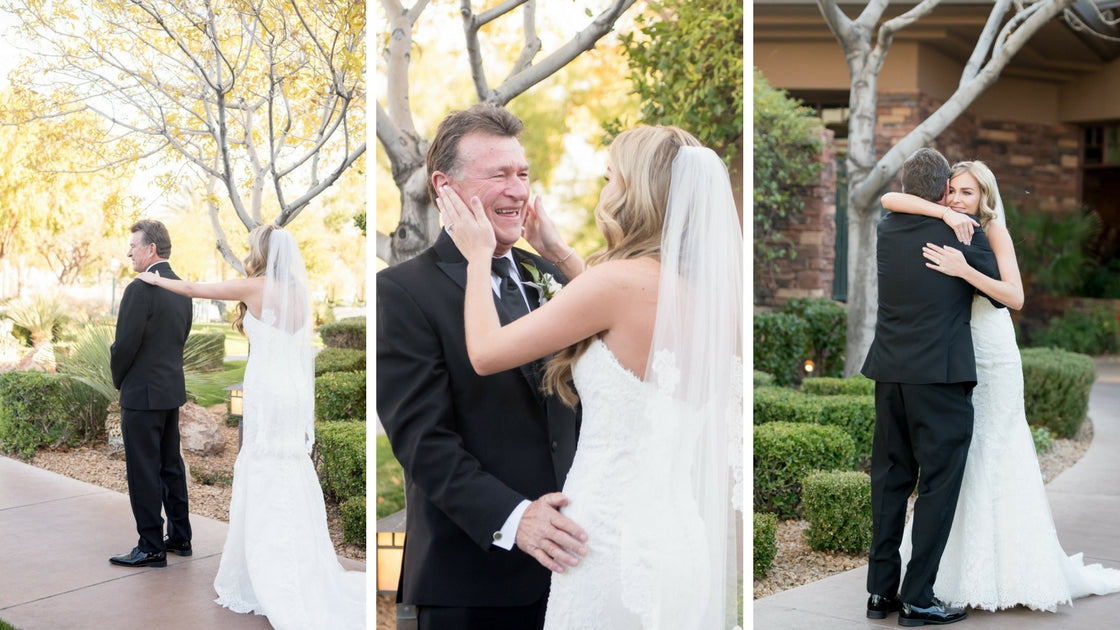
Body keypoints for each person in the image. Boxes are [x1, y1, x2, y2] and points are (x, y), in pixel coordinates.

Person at [439, 124, 742, 629]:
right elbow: (625, 325)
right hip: (680, 543)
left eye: (610, 178)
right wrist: (558, 252)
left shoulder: (615, 285)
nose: (604, 192)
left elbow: (488, 352)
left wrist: (475, 256)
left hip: (606, 541)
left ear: (636, 192)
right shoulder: (713, 303)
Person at [376, 102, 584, 630]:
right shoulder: (401, 292)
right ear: (445, 188)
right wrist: (517, 520)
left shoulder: (545, 272)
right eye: (499, 175)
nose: (517, 190)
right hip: (471, 582)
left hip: (576, 572)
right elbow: (423, 442)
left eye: (523, 174)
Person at [882, 160, 1120, 612]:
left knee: (995, 452)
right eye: (951, 190)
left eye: (966, 193)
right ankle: (942, 574)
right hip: (951, 354)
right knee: (955, 465)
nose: (956, 198)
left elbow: (1014, 296)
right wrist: (945, 214)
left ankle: (1007, 571)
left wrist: (962, 269)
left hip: (992, 354)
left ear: (984, 197)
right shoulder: (944, 220)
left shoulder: (992, 232)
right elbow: (890, 199)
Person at [136, 224, 365, 629]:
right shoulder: (298, 293)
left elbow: (191, 288)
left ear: (261, 253)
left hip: (268, 390)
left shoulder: (254, 286)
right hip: (292, 392)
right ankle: (302, 567)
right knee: (290, 468)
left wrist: (151, 278)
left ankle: (269, 577)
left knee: (262, 469)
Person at [860, 147, 1003, 626]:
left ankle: (880, 595)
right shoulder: (964, 231)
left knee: (890, 483)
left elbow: (889, 202)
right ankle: (918, 597)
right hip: (939, 379)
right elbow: (1001, 294)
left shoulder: (887, 227)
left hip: (890, 373)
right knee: (938, 487)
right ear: (945, 191)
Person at [109, 219, 194, 569]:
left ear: (151, 250)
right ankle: (180, 537)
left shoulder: (140, 288)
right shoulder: (182, 287)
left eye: (133, 245)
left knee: (143, 470)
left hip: (142, 395)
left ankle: (150, 546)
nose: (129, 251)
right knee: (170, 466)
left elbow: (124, 345)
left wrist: (119, 380)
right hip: (170, 392)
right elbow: (180, 338)